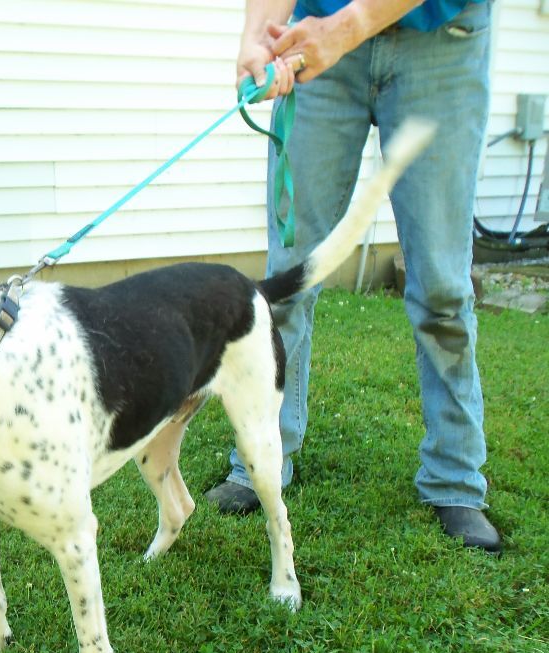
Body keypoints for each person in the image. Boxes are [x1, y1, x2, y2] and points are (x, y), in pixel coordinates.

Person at [205, 0, 502, 553]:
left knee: (441, 286)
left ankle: (455, 478)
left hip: (440, 39)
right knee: (287, 282)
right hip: (318, 44)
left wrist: (350, 25)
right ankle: (263, 462)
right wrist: (254, 38)